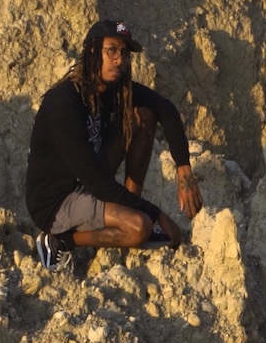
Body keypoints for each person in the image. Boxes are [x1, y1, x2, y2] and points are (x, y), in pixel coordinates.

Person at [24, 19, 203, 272]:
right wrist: (155, 214)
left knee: (143, 115)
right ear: (93, 51)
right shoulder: (64, 103)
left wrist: (184, 169)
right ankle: (61, 240)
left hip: (88, 182)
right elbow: (96, 181)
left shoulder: (110, 88)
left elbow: (166, 108)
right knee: (139, 227)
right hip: (56, 201)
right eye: (112, 50)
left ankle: (125, 213)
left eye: (124, 53)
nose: (119, 60)